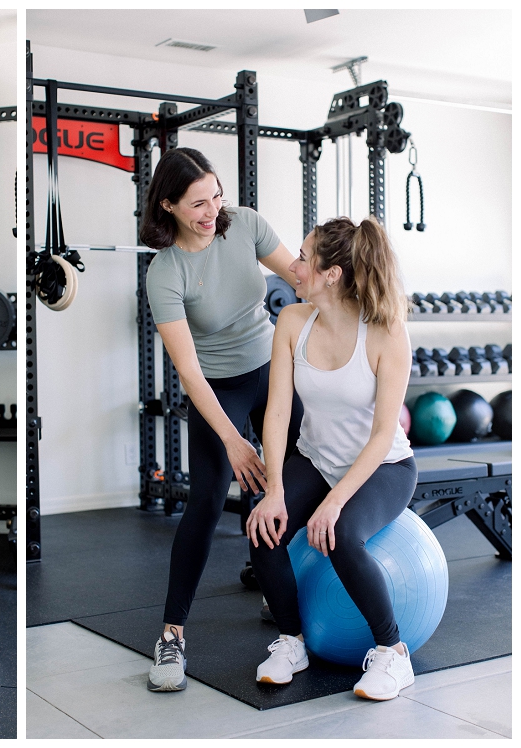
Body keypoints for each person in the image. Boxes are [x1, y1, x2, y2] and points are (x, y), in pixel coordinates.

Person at [141, 148, 303, 693]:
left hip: (271, 367)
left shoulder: (247, 225)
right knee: (207, 498)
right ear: (169, 205)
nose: (213, 210)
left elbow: (303, 277)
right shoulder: (165, 272)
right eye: (197, 203)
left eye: (216, 195)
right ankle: (170, 636)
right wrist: (233, 441)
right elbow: (188, 370)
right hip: (216, 388)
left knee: (304, 470)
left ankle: (280, 584)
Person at [246, 216, 417, 701]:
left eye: (303, 258)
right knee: (264, 527)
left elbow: (385, 434)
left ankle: (392, 652)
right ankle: (291, 640)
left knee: (340, 536)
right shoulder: (293, 322)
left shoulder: (386, 333)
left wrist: (335, 501)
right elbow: (277, 413)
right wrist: (274, 489)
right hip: (316, 458)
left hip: (382, 468)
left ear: (331, 274)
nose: (293, 267)